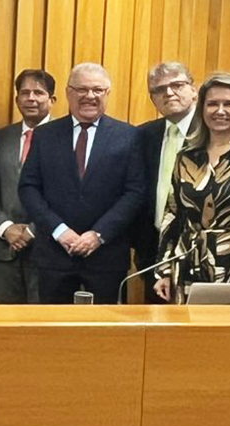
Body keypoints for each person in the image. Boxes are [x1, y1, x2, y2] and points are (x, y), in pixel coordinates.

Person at [18, 62, 146, 303]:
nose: (90, 96)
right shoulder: (44, 135)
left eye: (98, 90)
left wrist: (98, 235)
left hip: (106, 255)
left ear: (108, 93)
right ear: (68, 92)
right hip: (55, 255)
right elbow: (28, 188)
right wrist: (60, 231)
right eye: (81, 89)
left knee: (104, 335)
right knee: (52, 330)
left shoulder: (129, 136)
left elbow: (135, 192)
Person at [152, 73, 230, 302]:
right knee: (188, 336)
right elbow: (172, 215)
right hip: (188, 268)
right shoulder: (186, 157)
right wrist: (163, 270)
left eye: (229, 104)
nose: (220, 111)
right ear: (202, 109)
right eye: (212, 104)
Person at [0, 69, 56, 303]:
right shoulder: (1, 137)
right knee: (5, 325)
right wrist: (5, 227)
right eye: (25, 93)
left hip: (48, 247)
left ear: (52, 100)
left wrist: (32, 230)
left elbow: (65, 195)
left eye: (39, 92)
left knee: (41, 326)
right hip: (4, 247)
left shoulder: (65, 138)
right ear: (16, 99)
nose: (31, 98)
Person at [133, 61, 198, 300]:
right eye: (159, 90)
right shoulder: (143, 135)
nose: (168, 93)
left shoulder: (213, 132)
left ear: (194, 90)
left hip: (200, 253)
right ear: (153, 99)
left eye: (177, 85)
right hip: (153, 252)